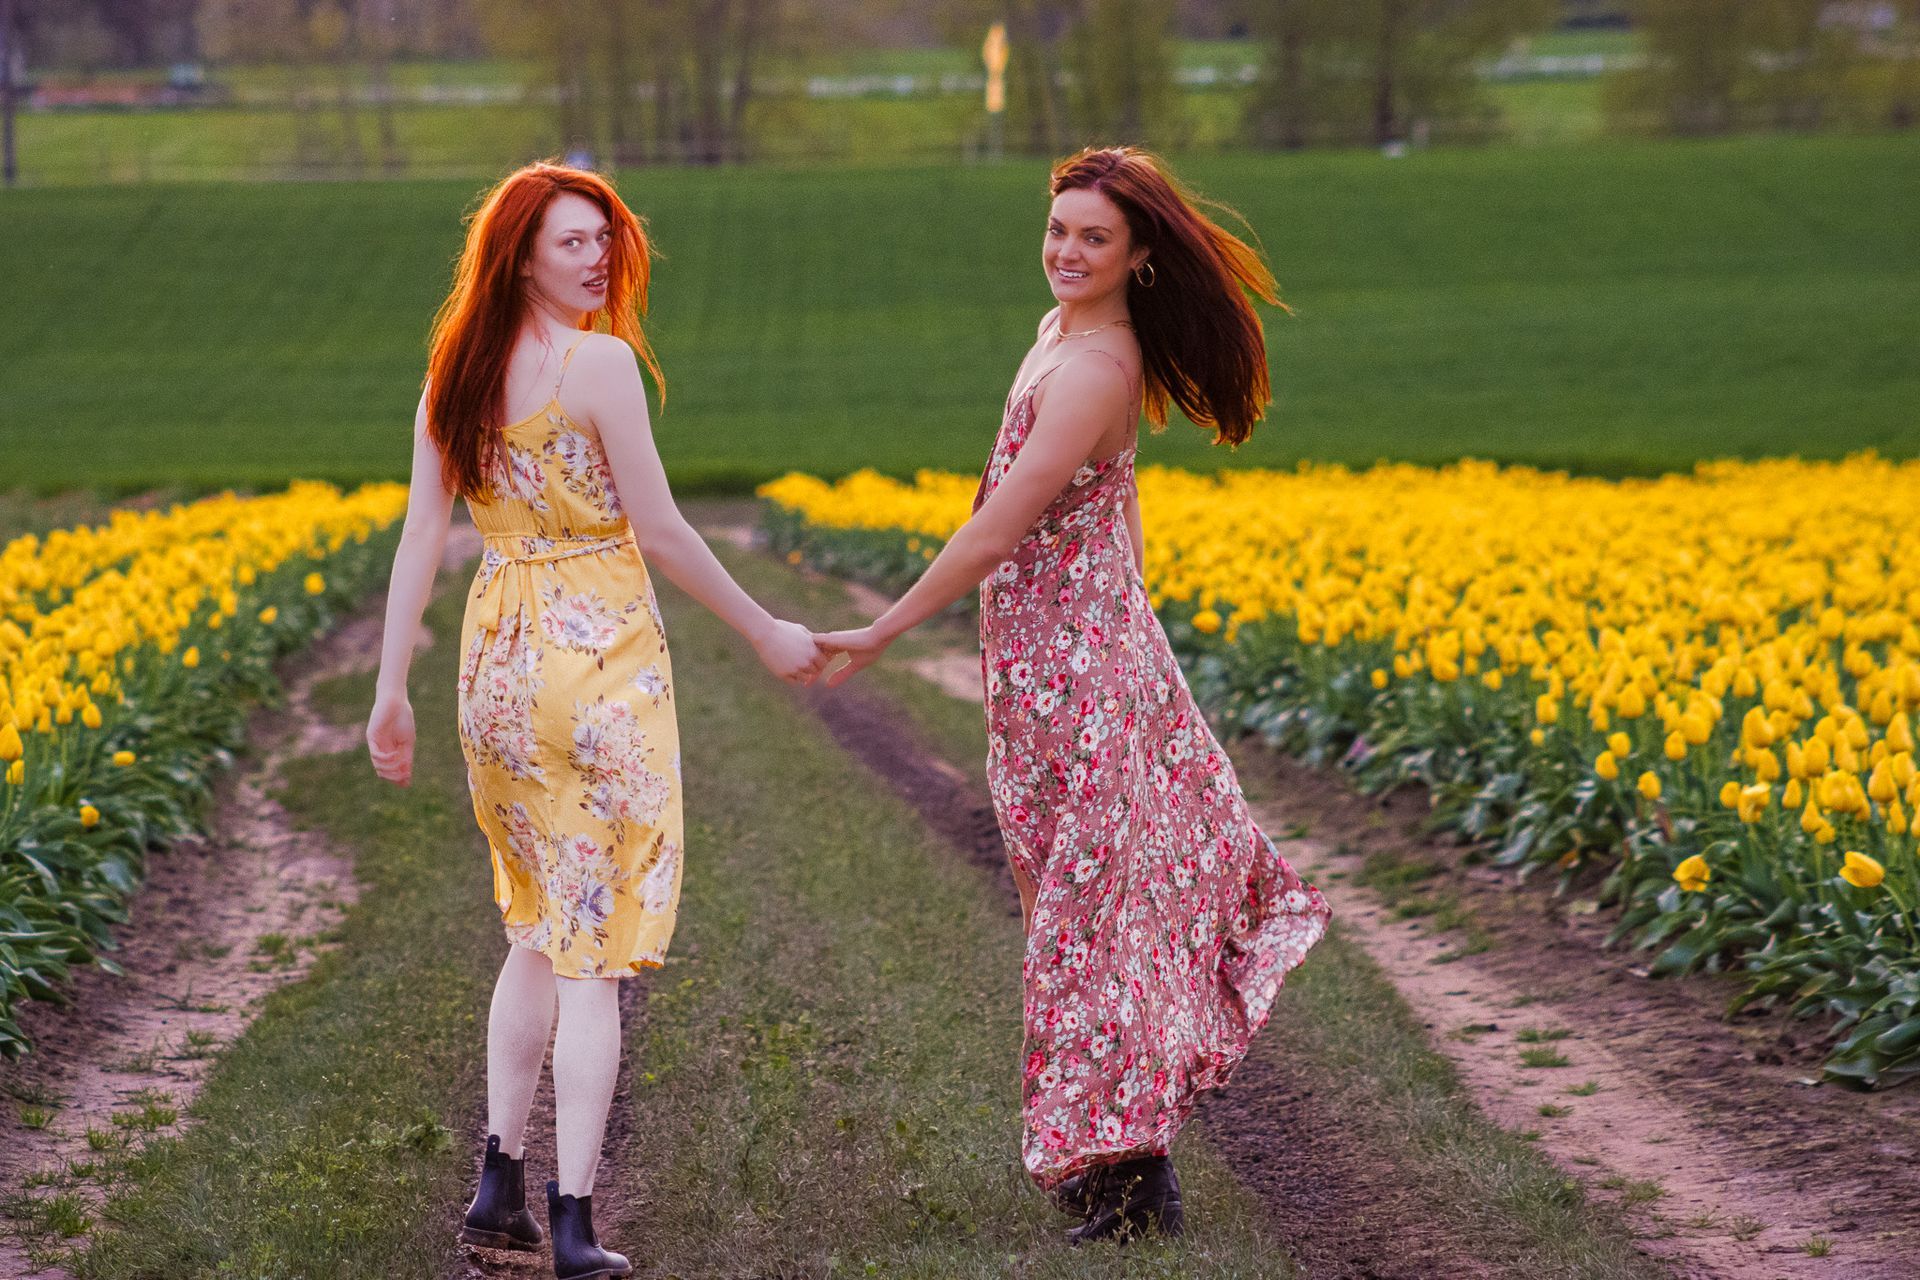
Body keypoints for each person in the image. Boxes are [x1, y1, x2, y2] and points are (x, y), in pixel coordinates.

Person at [817, 146, 1331, 1244]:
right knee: (1068, 907)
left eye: (1093, 238)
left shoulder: (1100, 366)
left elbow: (998, 525)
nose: (1066, 251)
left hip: (1081, 672)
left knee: (1094, 920)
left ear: (1138, 255)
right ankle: (1106, 1160)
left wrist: (880, 630)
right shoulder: (1060, 336)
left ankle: (1136, 1177)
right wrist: (1121, 610)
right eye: (1058, 230)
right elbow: (1119, 507)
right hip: (1047, 667)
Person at [365, 161, 826, 1279]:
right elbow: (659, 528)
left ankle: (496, 1186)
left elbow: (425, 536)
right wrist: (765, 627)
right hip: (597, 658)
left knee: (535, 921)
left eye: (607, 239)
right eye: (575, 241)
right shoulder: (598, 361)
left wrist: (393, 686)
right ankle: (571, 1221)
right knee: (594, 951)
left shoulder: (455, 376)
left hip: (496, 664)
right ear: (520, 253)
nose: (600, 257)